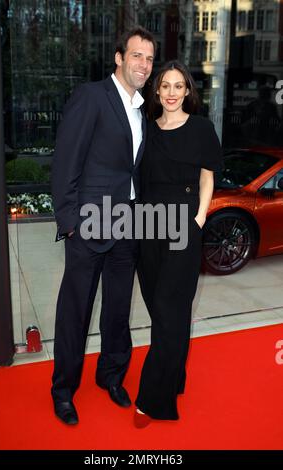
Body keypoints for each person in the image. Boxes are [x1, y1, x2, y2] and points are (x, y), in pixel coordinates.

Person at [51, 26, 156, 425]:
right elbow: (65, 163)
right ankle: (63, 390)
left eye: (149, 58)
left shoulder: (140, 109)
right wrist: (70, 221)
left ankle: (110, 376)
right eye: (136, 56)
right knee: (74, 311)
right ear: (118, 57)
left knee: (117, 309)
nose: (143, 64)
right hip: (89, 224)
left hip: (127, 223)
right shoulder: (92, 97)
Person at [134, 61, 223, 427]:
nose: (171, 93)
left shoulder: (202, 129)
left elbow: (207, 178)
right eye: (165, 86)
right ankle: (175, 375)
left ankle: (152, 399)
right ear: (157, 91)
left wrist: (199, 219)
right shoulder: (147, 130)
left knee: (171, 309)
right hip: (146, 224)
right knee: (160, 307)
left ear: (188, 91)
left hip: (184, 222)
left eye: (178, 86)